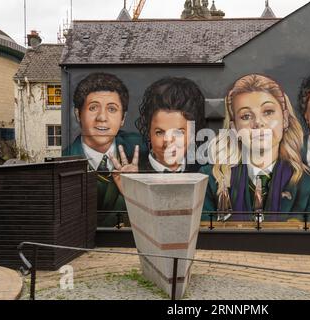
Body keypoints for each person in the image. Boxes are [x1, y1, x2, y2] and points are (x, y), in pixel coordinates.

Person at [200, 74, 310, 222]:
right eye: (246, 116)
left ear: (285, 119)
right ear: (234, 128)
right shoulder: (210, 180)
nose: (258, 123)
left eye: (268, 112)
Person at [63, 72, 145, 227]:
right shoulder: (66, 161)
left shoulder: (142, 149)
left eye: (112, 109)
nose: (102, 117)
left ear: (123, 119)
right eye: (93, 107)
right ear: (77, 114)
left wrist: (135, 192)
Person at [134, 77, 206, 173]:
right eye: (159, 132)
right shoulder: (132, 171)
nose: (168, 142)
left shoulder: (205, 172)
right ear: (149, 132)